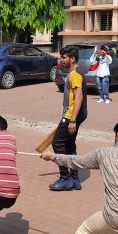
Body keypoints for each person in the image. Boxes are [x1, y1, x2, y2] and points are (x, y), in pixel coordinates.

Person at [49, 45, 88, 191]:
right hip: (77, 114)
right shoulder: (76, 72)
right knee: (70, 145)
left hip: (72, 115)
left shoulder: (75, 74)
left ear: (72, 58)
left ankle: (65, 178)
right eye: (61, 57)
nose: (61, 60)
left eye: (64, 57)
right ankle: (74, 178)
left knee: (57, 144)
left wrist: (72, 120)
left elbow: (79, 97)